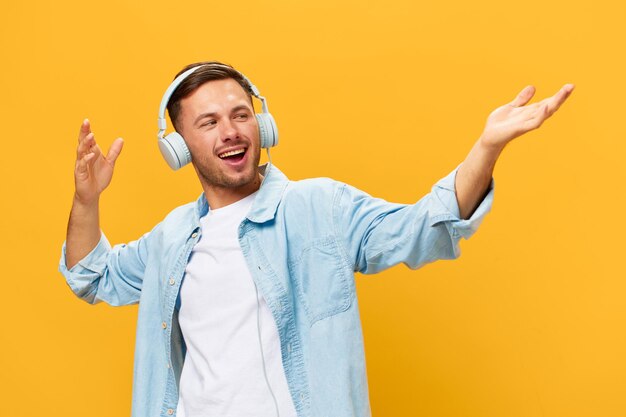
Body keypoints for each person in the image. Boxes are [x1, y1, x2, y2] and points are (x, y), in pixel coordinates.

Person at [59, 61, 574, 417]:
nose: (231, 132)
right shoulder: (171, 240)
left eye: (240, 114)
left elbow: (422, 228)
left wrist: (486, 147)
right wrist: (87, 200)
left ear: (262, 122)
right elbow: (91, 275)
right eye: (209, 123)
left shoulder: (320, 208)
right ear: (179, 146)